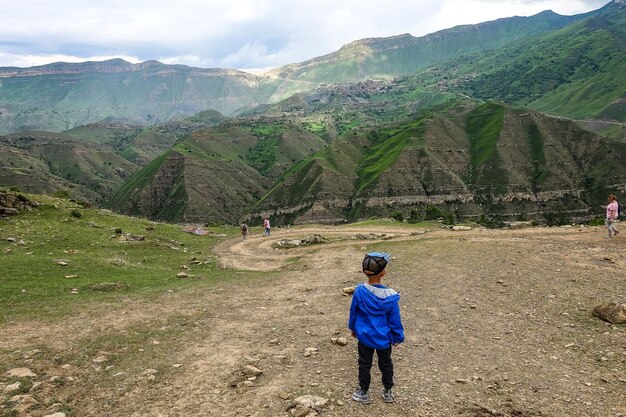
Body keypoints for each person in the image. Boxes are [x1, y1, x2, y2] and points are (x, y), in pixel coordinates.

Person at [349, 252, 404, 405]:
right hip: (384, 339)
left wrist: (353, 328)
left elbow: (354, 312)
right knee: (386, 364)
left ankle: (364, 393)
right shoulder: (391, 295)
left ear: (364, 271)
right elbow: (395, 320)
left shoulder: (359, 291)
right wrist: (397, 337)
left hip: (365, 337)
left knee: (364, 364)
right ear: (383, 273)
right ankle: (388, 392)